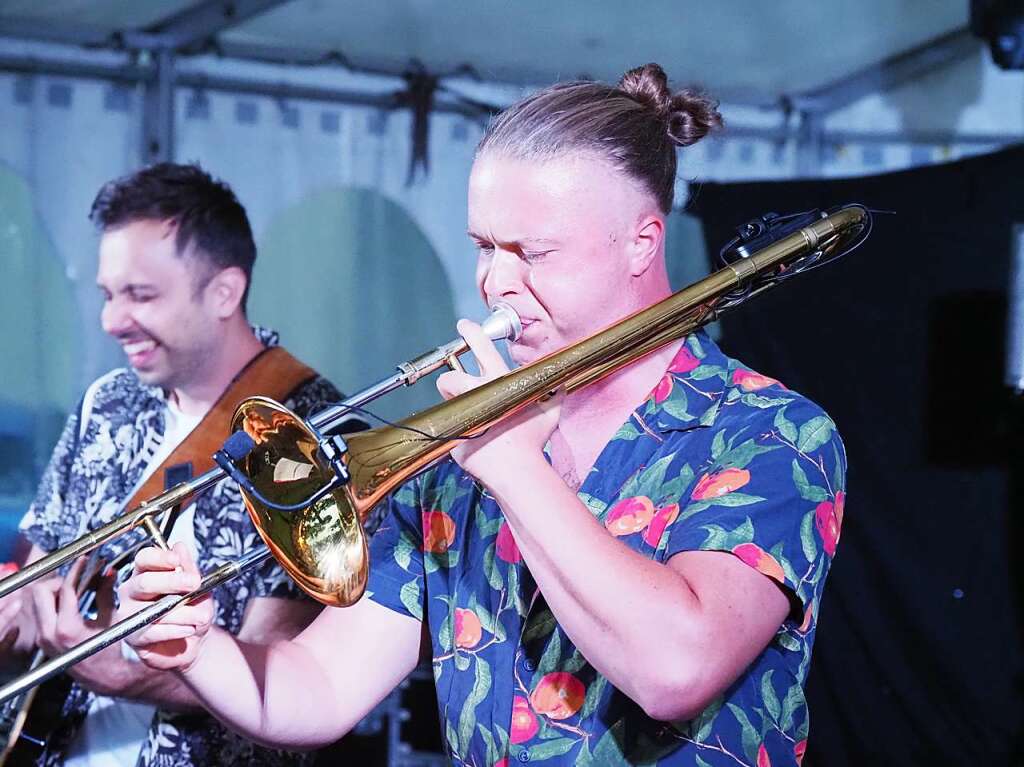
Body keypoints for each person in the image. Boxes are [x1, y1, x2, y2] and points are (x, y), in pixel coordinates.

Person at [118, 64, 846, 766]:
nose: (497, 283)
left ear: (642, 242)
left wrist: (515, 471)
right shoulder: (453, 461)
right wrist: (198, 647)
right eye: (484, 247)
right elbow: (324, 687)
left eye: (534, 251)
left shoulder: (770, 431)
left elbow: (676, 669)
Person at [0, 163, 365, 767]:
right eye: (108, 295)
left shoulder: (320, 433)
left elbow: (285, 672)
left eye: (141, 295)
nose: (112, 320)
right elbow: (44, 579)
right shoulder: (105, 404)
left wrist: (108, 668)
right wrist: (24, 619)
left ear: (224, 291)